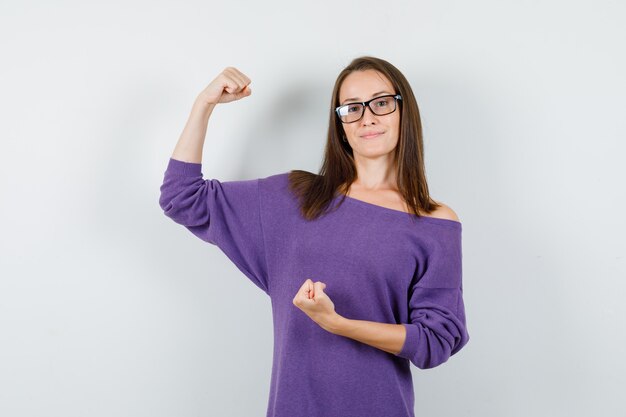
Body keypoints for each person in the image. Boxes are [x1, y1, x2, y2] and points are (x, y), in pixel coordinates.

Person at [159, 56, 470, 417]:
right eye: (352, 108)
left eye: (381, 103)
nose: (367, 117)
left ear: (404, 111)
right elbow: (181, 197)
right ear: (340, 124)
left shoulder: (434, 223)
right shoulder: (295, 198)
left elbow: (437, 340)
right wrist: (204, 105)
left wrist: (338, 324)